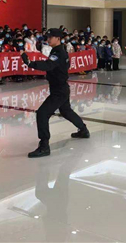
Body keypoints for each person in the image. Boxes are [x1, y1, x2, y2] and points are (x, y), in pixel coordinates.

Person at [21, 28, 90, 158]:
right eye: (47, 37)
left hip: (59, 90)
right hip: (61, 87)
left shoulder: (59, 53)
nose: (48, 39)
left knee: (42, 113)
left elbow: (48, 65)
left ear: (58, 38)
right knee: (66, 111)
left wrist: (30, 63)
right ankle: (83, 130)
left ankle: (44, 146)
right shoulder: (58, 51)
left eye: (50, 37)